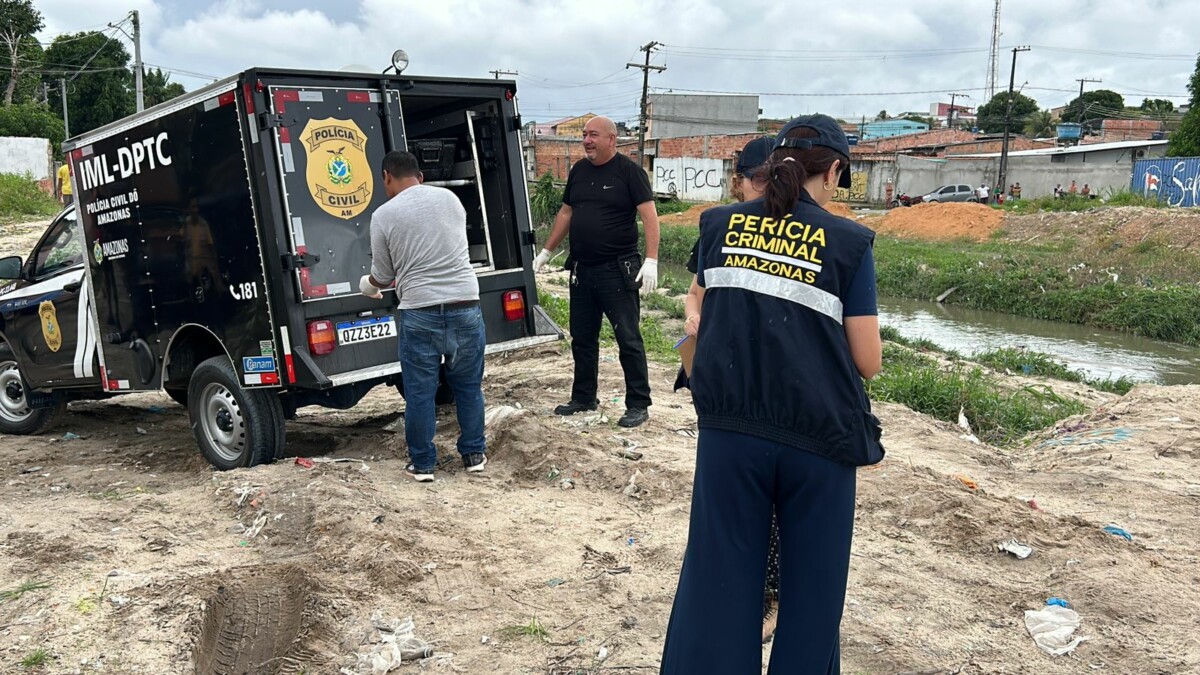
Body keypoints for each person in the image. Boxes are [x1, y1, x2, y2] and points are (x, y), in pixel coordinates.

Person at [659, 114, 884, 674]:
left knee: (719, 582)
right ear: (833, 171)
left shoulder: (719, 226)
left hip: (730, 434)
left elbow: (702, 310)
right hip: (819, 442)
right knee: (811, 597)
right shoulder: (850, 242)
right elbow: (868, 362)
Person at [676, 135, 783, 642]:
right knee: (733, 506)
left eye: (767, 179)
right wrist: (695, 319)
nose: (758, 190)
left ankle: (770, 600)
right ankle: (744, 596)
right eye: (753, 180)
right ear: (738, 181)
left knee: (775, 508)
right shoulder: (720, 230)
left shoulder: (800, 235)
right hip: (725, 388)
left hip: (776, 394)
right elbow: (695, 293)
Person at [360, 150, 487, 482]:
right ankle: (473, 454)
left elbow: (384, 275)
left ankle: (423, 464)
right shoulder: (450, 200)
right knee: (469, 387)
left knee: (420, 392)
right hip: (465, 304)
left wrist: (368, 285)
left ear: (387, 176)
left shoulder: (384, 215)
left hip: (420, 311)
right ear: (420, 175)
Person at [532, 116, 660, 428]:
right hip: (582, 270)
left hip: (617, 270)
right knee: (583, 338)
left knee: (628, 338)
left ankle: (638, 403)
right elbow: (566, 212)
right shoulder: (578, 171)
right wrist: (547, 250)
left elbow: (650, 216)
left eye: (593, 135)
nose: (587, 140)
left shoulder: (630, 173)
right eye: (584, 135)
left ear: (612, 140)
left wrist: (652, 259)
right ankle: (584, 397)